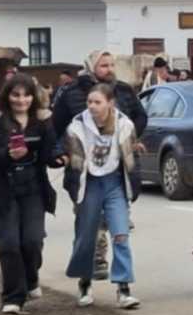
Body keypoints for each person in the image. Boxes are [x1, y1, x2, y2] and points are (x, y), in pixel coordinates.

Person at [52, 51, 148, 283]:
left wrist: (130, 139)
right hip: (84, 168)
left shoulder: (123, 90)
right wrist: (61, 152)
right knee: (87, 221)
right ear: (91, 66)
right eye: (104, 65)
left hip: (117, 169)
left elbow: (140, 116)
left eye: (112, 64)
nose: (109, 69)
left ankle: (115, 274)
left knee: (115, 223)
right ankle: (91, 259)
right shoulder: (72, 92)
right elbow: (57, 125)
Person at [0, 74, 59, 315]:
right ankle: (13, 297)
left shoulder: (42, 121)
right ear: (7, 96)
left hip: (32, 188)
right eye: (16, 95)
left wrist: (59, 158)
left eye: (26, 95)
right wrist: (6, 154)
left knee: (32, 241)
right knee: (9, 245)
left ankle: (31, 279)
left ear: (33, 97)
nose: (21, 100)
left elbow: (49, 153)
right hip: (1, 189)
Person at [64, 82, 140, 309]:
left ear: (110, 103)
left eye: (98, 102)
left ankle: (124, 288)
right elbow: (74, 160)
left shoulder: (124, 124)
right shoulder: (77, 125)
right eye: (89, 102)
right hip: (90, 184)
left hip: (115, 183)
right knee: (87, 235)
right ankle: (85, 283)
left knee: (121, 234)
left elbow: (130, 155)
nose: (92, 106)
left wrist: (134, 182)